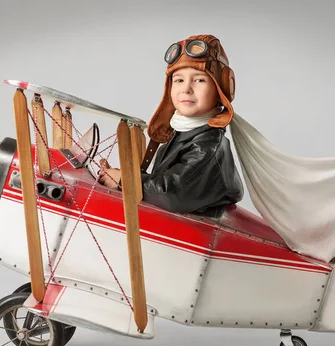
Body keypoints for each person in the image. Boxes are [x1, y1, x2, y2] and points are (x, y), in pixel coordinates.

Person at [99, 34, 244, 214]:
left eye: (199, 80)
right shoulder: (184, 133)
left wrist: (125, 180)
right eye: (179, 80)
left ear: (220, 89)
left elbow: (172, 193)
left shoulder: (207, 147)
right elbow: (164, 182)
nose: (186, 88)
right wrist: (120, 176)